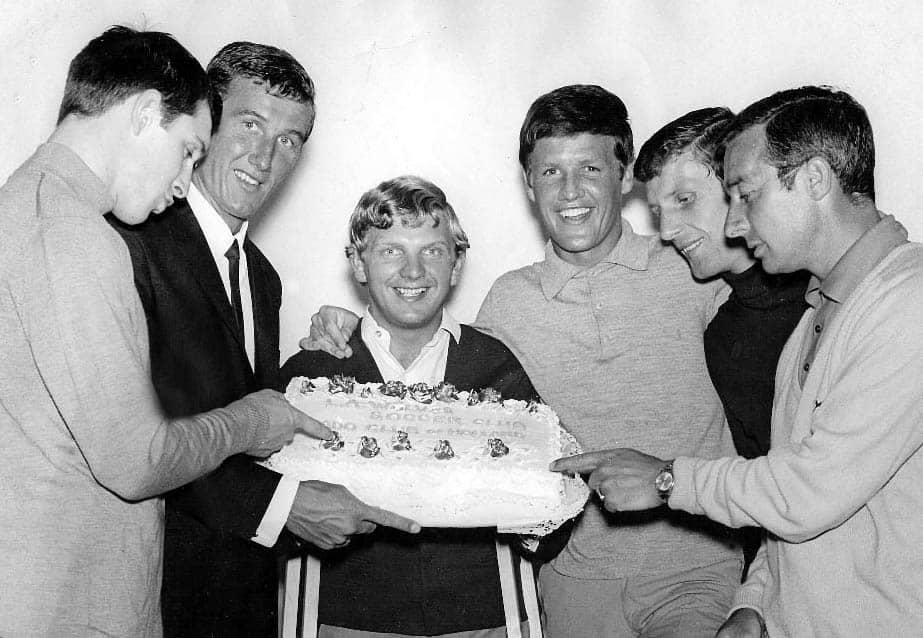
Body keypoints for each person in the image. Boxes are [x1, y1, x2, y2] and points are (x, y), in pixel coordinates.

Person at [306, 86, 742, 638]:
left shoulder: (691, 269)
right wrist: (354, 327)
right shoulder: (508, 301)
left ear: (625, 174)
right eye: (550, 172)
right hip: (571, 584)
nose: (570, 190)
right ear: (529, 184)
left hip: (696, 572)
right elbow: (438, 376)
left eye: (588, 166)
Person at [555, 86, 923, 637]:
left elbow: (808, 489)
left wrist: (666, 480)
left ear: (815, 180)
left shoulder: (907, 302)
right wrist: (754, 606)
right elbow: (781, 510)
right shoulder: (813, 320)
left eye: (746, 195)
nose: (734, 224)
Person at [0, 26, 326, 638]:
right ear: (148, 112)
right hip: (70, 599)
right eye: (188, 149)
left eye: (287, 140)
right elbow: (137, 457)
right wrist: (254, 421)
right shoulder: (87, 236)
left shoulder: (39, 208)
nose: (183, 179)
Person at [109, 42, 420, 637]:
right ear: (206, 121)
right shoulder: (134, 245)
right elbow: (148, 438)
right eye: (251, 124)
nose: (264, 155)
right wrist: (286, 508)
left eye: (289, 139)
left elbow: (247, 417)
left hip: (242, 593)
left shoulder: (261, 276)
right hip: (150, 596)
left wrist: (326, 357)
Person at [280, 175, 538, 638]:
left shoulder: (493, 362)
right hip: (345, 616)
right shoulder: (312, 369)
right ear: (359, 264)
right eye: (391, 250)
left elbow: (544, 498)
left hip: (479, 618)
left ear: (456, 266)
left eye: (433, 251)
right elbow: (262, 502)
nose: (414, 272)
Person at [634, 107, 810, 572]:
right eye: (658, 212)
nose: (667, 231)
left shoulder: (824, 299)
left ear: (738, 188)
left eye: (685, 199)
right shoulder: (723, 330)